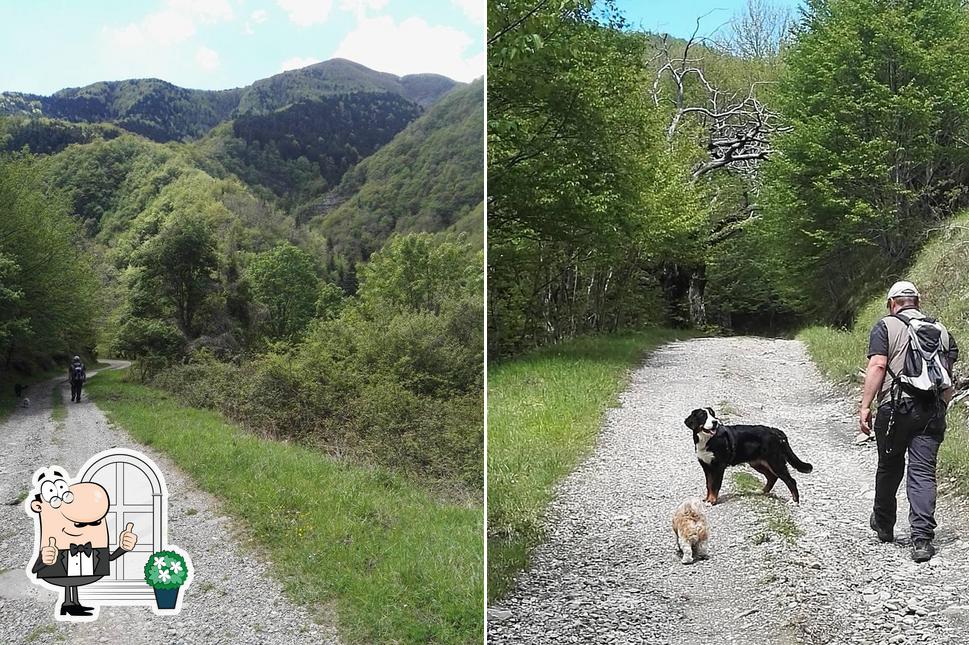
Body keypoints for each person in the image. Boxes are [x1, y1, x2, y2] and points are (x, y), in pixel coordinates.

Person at [859, 281, 958, 562]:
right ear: (917, 300)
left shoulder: (886, 326)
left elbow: (878, 365)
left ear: (892, 303)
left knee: (889, 468)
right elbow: (947, 377)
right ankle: (922, 539)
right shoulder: (941, 331)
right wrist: (941, 406)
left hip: (896, 408)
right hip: (932, 410)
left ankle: (884, 523)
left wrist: (865, 406)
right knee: (923, 473)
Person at [28, 469, 138, 617]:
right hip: (60, 568)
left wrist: (123, 547)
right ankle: (68, 604)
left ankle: (72, 604)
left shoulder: (94, 547)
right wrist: (45, 559)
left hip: (84, 569)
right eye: (79, 524)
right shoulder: (53, 544)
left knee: (72, 581)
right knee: (68, 580)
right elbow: (36, 569)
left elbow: (108, 558)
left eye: (96, 523)